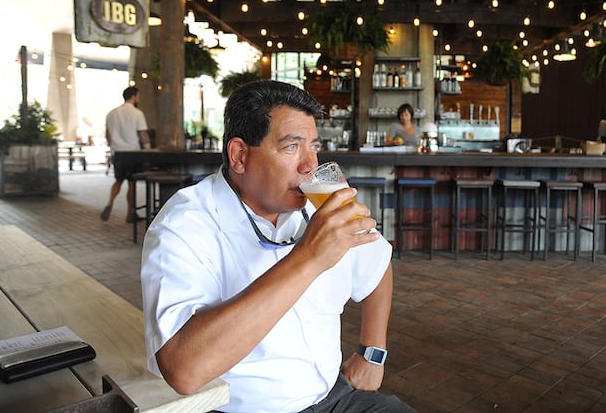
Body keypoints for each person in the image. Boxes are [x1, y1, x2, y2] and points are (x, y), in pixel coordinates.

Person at [141, 80, 415, 413]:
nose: (309, 165)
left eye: (314, 146)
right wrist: (309, 258)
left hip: (334, 397)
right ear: (240, 155)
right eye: (291, 147)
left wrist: (373, 351)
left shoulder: (318, 206)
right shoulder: (186, 224)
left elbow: (377, 261)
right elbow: (183, 371)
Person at [100, 86, 150, 223]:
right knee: (131, 183)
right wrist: (148, 151)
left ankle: (110, 202)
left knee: (118, 180)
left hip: (118, 153)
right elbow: (143, 134)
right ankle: (130, 212)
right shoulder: (137, 113)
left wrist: (113, 147)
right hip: (133, 153)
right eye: (138, 96)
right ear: (134, 96)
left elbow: (108, 135)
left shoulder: (111, 114)